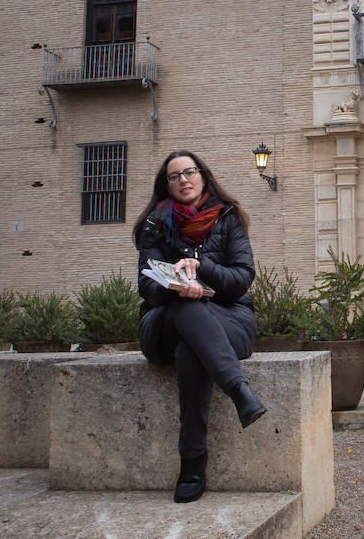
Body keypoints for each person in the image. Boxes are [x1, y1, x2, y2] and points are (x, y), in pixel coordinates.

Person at [134, 150, 266, 503]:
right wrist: (175, 282)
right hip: (163, 323)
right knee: (184, 307)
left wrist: (199, 265)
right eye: (174, 176)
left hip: (229, 319)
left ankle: (192, 461)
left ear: (203, 176)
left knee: (191, 347)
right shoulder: (154, 224)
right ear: (167, 185)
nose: (183, 180)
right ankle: (239, 392)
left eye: (189, 172)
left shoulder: (227, 217)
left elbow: (241, 279)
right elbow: (146, 286)